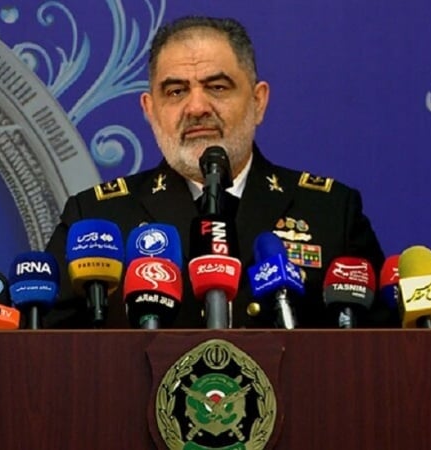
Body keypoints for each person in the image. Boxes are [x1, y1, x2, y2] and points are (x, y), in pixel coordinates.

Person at [43, 15, 392, 329]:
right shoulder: (97, 217)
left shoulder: (330, 212)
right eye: (176, 91)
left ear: (258, 101)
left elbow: (379, 355)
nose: (196, 107)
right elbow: (43, 354)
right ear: (150, 110)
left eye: (217, 87)